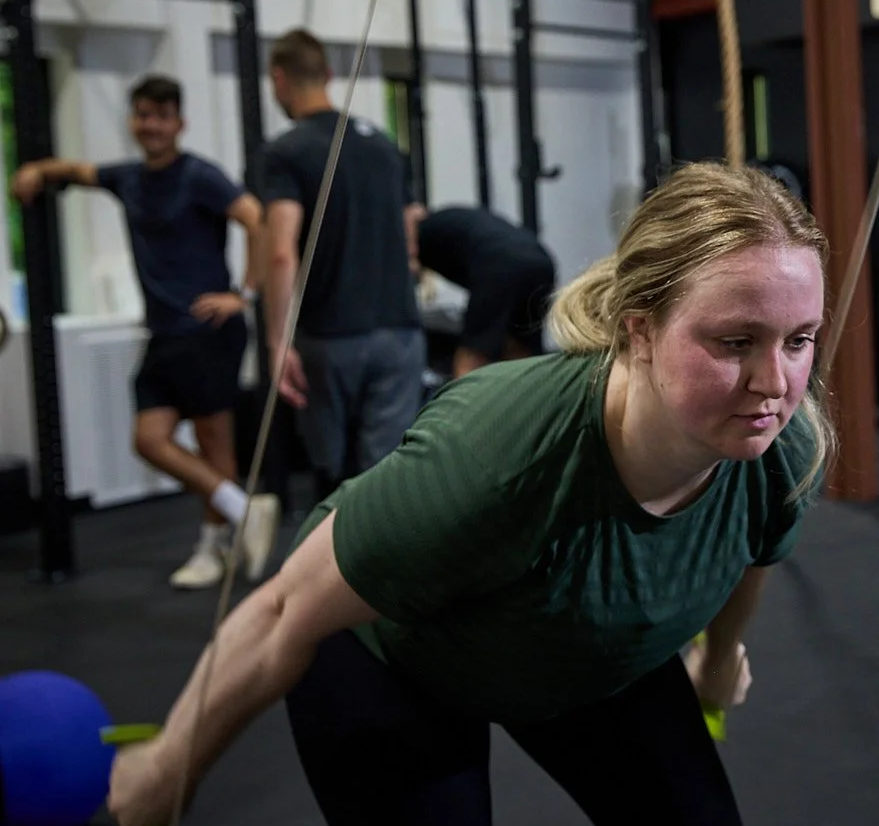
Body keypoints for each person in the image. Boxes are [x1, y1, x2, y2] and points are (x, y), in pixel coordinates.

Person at [107, 161, 834, 826]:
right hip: (398, 657)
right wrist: (170, 765)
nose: (774, 383)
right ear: (640, 331)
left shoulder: (783, 445)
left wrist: (716, 661)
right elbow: (281, 613)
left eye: (798, 340)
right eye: (734, 342)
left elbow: (749, 554)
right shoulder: (498, 455)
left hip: (578, 644)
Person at [8, 76, 281, 589]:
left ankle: (212, 548)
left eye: (161, 116)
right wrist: (37, 170)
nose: (151, 125)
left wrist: (243, 295)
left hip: (207, 329)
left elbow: (256, 218)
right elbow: (78, 171)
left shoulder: (198, 176)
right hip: (163, 333)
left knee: (214, 444)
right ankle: (243, 508)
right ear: (133, 121)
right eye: (142, 115)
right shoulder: (128, 177)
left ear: (179, 123)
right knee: (149, 439)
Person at [256, 29, 425, 500]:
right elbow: (412, 229)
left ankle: (334, 549)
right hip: (400, 332)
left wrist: (276, 342)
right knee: (386, 482)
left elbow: (280, 251)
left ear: (279, 79)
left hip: (331, 338)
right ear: (329, 75)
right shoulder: (382, 145)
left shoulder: (285, 151)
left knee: (334, 482)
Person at [410, 204, 558, 377]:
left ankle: (466, 394)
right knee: (522, 351)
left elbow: (410, 268)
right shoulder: (450, 221)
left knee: (474, 356)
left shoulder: (411, 234)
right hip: (541, 262)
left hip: (499, 265)